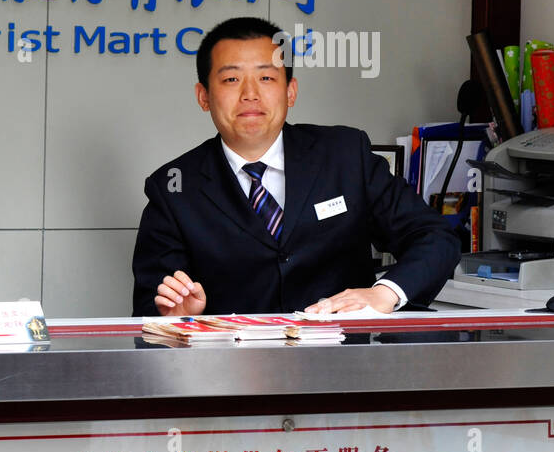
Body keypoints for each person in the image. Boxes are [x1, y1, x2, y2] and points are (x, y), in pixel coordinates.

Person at [131, 17, 461, 317]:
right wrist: (177, 319)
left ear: (291, 91)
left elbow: (434, 236)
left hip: (343, 369)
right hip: (231, 373)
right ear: (203, 96)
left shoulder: (345, 155)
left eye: (266, 77)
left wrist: (384, 294)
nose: (250, 94)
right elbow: (150, 307)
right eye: (231, 79)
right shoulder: (174, 187)